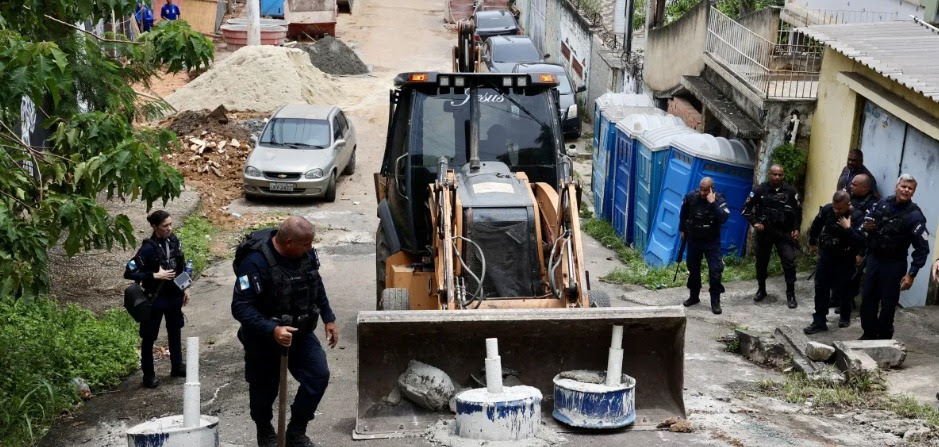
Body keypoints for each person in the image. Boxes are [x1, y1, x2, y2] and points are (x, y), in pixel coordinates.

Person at [232, 216, 338, 447]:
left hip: (299, 332)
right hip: (263, 338)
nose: (310, 248)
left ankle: (296, 432)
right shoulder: (254, 263)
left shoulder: (306, 255)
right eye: (306, 244)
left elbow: (315, 282)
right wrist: (272, 329)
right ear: (289, 242)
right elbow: (240, 306)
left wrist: (328, 317)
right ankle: (265, 432)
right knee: (264, 390)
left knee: (318, 376)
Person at [124, 210, 190, 388]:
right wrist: (154, 275)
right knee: (149, 336)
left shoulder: (174, 241)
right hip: (155, 299)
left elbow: (180, 266)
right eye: (165, 226)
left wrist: (186, 287)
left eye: (170, 224)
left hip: (174, 296)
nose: (169, 228)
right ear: (154, 227)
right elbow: (129, 272)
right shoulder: (147, 249)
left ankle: (177, 366)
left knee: (175, 330)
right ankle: (148, 375)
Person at [859, 174, 929, 340]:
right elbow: (866, 220)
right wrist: (866, 226)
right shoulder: (883, 203)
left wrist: (911, 274)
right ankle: (868, 335)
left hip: (894, 264)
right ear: (896, 187)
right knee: (868, 299)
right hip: (874, 259)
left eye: (910, 188)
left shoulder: (914, 216)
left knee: (888, 305)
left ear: (913, 192)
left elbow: (922, 249)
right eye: (903, 186)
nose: (906, 190)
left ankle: (884, 339)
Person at [804, 191, 865, 334]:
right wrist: (812, 241)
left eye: (840, 208)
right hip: (827, 254)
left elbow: (862, 241)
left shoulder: (857, 216)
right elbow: (817, 224)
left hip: (846, 258)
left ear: (848, 205)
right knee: (820, 287)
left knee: (845, 289)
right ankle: (819, 321)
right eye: (834, 207)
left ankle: (845, 316)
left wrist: (848, 228)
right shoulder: (827, 209)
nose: (836, 211)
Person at [743, 164, 803, 308]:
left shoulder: (790, 191)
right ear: (769, 174)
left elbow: (798, 212)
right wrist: (755, 223)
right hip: (765, 233)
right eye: (774, 174)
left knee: (789, 262)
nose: (777, 177)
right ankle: (761, 289)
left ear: (783, 175)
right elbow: (745, 209)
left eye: (780, 175)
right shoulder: (760, 190)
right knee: (761, 262)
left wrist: (796, 228)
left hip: (784, 233)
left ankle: (791, 294)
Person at [679, 177, 731, 314]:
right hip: (694, 240)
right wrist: (682, 229)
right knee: (693, 269)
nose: (703, 193)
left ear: (712, 189)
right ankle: (694, 296)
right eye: (701, 189)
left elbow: (724, 218)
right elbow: (683, 214)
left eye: (706, 190)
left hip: (711, 241)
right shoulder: (691, 197)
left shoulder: (719, 200)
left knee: (715, 271)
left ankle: (715, 301)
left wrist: (712, 203)